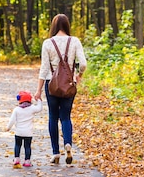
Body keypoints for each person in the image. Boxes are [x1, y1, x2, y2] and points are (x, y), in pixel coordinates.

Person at [34, 14, 87, 164]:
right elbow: (83, 64)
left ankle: (56, 153)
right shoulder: (74, 41)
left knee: (53, 117)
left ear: (54, 26)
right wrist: (79, 75)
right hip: (69, 84)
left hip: (51, 84)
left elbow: (44, 69)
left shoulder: (48, 43)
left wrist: (38, 90)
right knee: (65, 116)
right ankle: (68, 144)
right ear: (67, 25)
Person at [6, 90, 43, 167]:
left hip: (18, 132)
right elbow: (39, 108)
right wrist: (39, 100)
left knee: (17, 145)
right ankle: (27, 161)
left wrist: (8, 128)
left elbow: (12, 120)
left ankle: (16, 159)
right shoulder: (32, 108)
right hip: (28, 133)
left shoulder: (16, 109)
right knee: (27, 146)